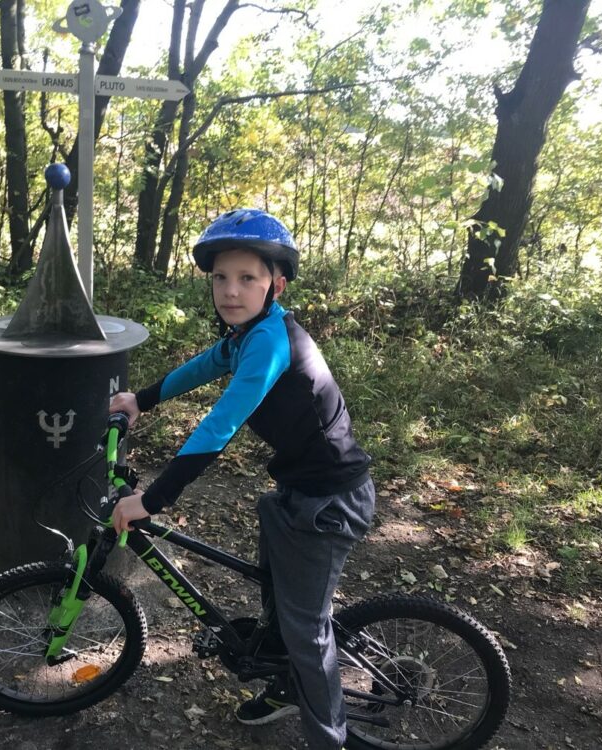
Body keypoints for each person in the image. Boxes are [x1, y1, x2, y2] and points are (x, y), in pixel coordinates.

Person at [110, 208, 374, 750]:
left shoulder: (272, 342)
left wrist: (153, 499)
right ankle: (283, 686)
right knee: (276, 599)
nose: (231, 291)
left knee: (307, 632)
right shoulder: (247, 333)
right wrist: (142, 399)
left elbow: (221, 422)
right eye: (221, 278)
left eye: (247, 278)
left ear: (275, 284)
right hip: (298, 492)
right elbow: (203, 366)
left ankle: (331, 740)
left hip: (330, 501)